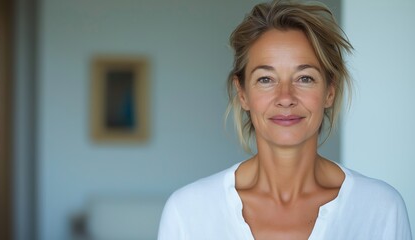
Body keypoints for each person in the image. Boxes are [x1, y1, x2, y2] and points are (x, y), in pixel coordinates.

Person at [158, 0, 412, 239]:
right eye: (266, 79)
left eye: (305, 78)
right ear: (243, 94)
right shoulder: (188, 212)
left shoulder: (381, 208)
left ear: (329, 92)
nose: (286, 97)